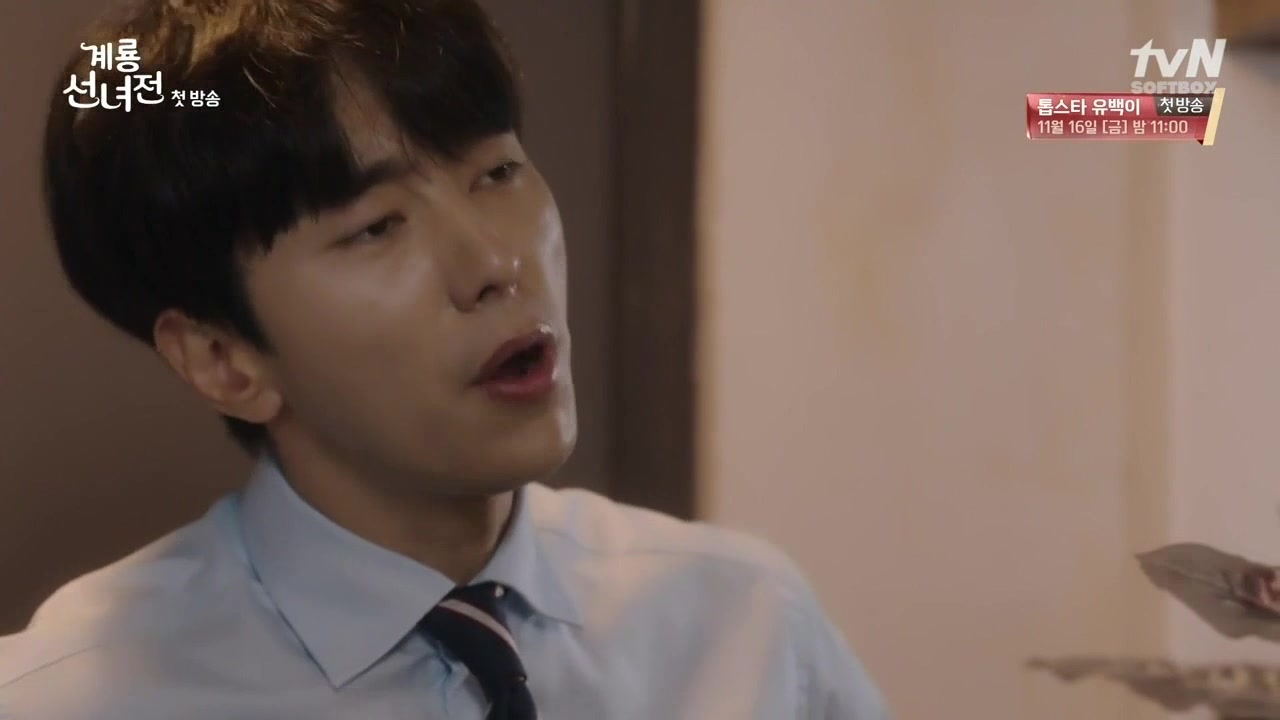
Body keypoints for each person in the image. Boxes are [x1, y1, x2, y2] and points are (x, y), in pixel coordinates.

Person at [0, 1, 888, 718]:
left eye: (497, 173)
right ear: (222, 358)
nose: (495, 263)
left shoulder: (747, 628)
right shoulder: (75, 698)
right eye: (377, 227)